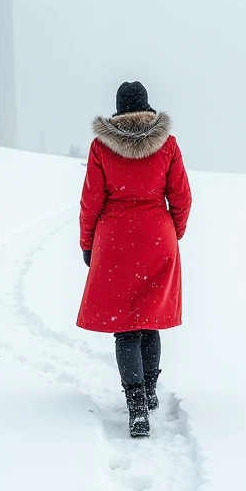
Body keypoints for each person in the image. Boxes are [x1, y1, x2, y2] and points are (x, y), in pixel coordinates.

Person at [76, 81, 192, 438]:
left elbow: (90, 202)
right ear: (148, 108)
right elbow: (182, 197)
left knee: (125, 324)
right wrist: (173, 233)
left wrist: (87, 244)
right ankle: (151, 390)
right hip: (158, 237)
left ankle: (137, 407)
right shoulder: (167, 145)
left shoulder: (101, 146)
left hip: (115, 244)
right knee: (149, 320)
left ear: (117, 111)